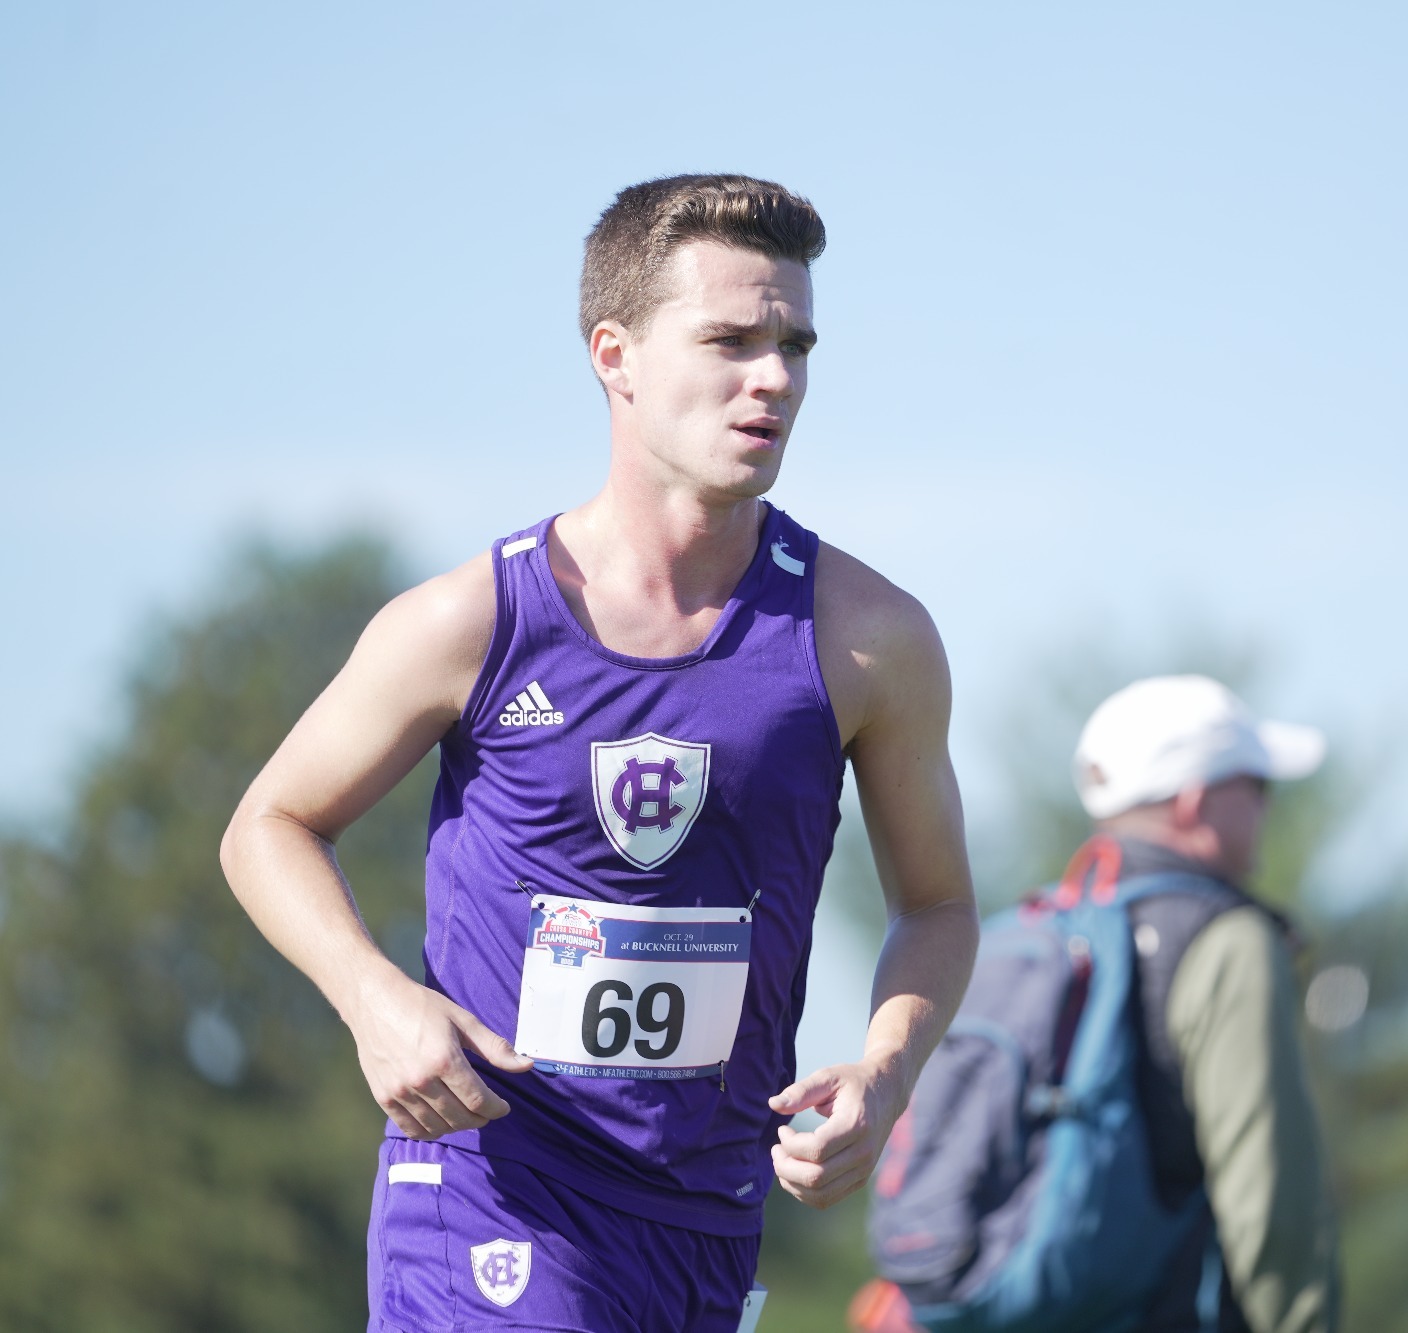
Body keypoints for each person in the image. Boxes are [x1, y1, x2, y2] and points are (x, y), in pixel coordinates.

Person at [220, 174, 979, 1332]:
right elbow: (267, 827)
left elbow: (937, 905)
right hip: (487, 1187)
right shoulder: (470, 621)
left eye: (793, 346)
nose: (773, 378)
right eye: (729, 341)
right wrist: (375, 999)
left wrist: (884, 1072)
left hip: (706, 1222)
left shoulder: (869, 639)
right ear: (613, 357)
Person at [1066, 675, 1344, 1331]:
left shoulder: (1041, 931)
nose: (1266, 808)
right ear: (1194, 804)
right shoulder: (1229, 942)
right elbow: (1270, 1203)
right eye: (1258, 787)